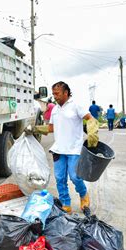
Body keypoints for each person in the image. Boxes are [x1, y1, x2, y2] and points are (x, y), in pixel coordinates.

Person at [29, 82, 99, 214]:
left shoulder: (76, 106)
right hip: (59, 149)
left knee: (75, 177)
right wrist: (34, 129)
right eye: (54, 94)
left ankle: (84, 195)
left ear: (66, 93)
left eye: (57, 93)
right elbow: (51, 128)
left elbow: (90, 119)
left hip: (74, 149)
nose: (55, 96)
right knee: (60, 178)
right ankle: (65, 203)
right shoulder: (55, 109)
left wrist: (92, 132)